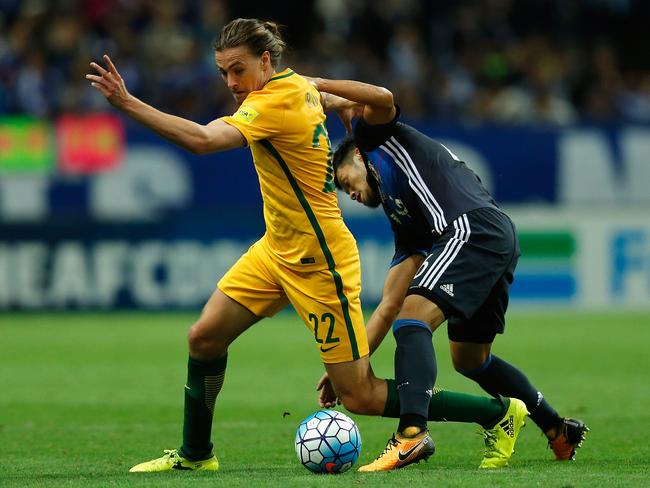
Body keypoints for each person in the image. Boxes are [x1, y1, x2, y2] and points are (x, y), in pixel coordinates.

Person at [87, 18, 525, 474]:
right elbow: (342, 102)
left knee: (358, 394)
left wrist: (127, 102)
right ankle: (197, 455)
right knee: (204, 337)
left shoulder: (277, 100)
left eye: (238, 70)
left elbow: (203, 141)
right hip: (276, 249)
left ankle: (497, 414)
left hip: (320, 261)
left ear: (265, 60)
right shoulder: (293, 90)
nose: (231, 82)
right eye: (223, 73)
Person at [310, 75, 588, 467]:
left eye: (345, 182)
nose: (350, 194)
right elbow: (388, 304)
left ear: (356, 158)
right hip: (493, 237)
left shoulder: (375, 142)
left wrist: (321, 88)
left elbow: (383, 96)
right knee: (470, 359)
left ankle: (411, 433)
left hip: (470, 229)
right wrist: (352, 365)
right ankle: (558, 429)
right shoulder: (405, 218)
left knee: (413, 319)